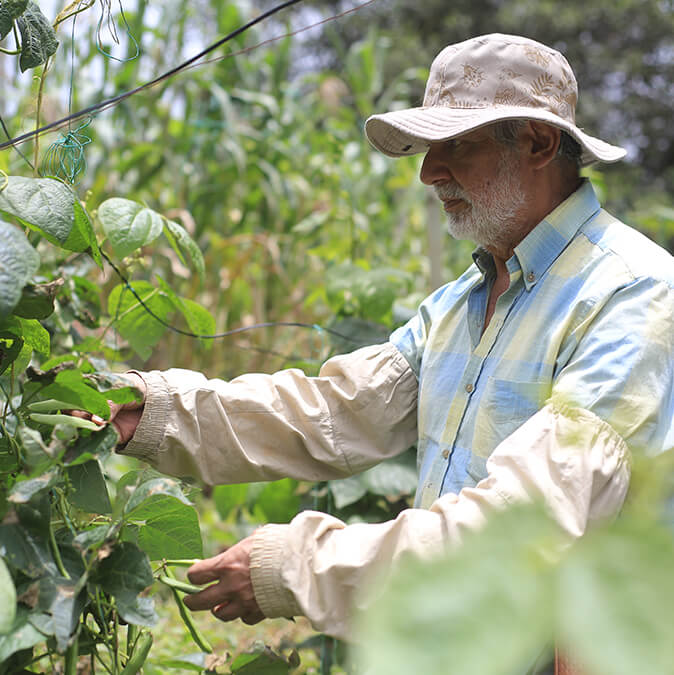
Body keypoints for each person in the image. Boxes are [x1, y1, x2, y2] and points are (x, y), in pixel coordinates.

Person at [106, 33, 673, 656]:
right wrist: (157, 413)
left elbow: (522, 529)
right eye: (430, 147)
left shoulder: (633, 297)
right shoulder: (466, 299)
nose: (430, 171)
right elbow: (336, 412)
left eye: (456, 143)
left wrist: (300, 566)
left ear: (538, 143)